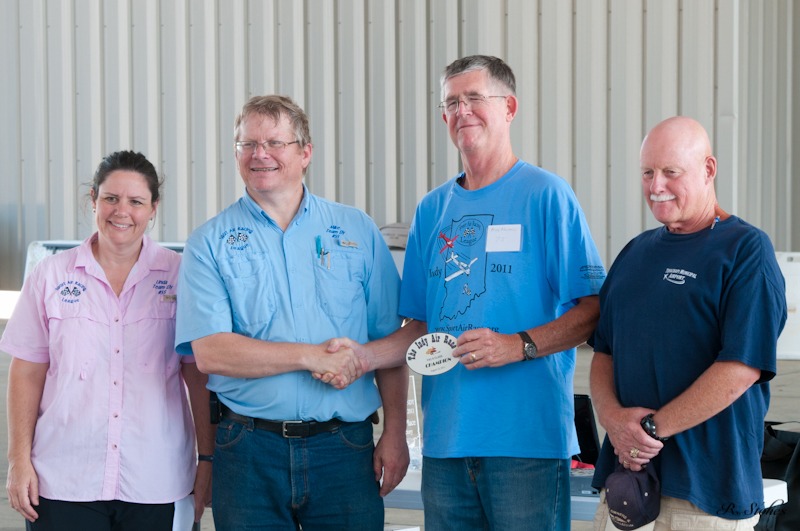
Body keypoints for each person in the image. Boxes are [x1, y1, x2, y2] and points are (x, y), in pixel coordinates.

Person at [341, 55, 606, 530]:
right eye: (451, 102)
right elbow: (421, 327)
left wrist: (518, 345)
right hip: (446, 445)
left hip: (526, 445)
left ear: (509, 107)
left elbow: (593, 310)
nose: (462, 111)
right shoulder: (431, 211)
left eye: (474, 98)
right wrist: (360, 358)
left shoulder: (546, 196)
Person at [174, 94, 409, 530]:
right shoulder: (209, 242)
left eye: (274, 143)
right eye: (247, 144)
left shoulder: (357, 230)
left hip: (344, 449)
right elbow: (211, 353)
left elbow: (390, 342)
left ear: (305, 153)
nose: (259, 154)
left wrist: (395, 432)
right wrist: (309, 356)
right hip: (247, 451)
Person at [589, 116, 787, 530]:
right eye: (647, 172)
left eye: (671, 172)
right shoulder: (635, 252)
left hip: (703, 496)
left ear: (708, 169)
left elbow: (741, 368)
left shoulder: (745, 250)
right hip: (626, 488)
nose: (655, 185)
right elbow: (604, 352)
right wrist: (612, 420)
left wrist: (648, 430)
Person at [0, 151, 214, 530]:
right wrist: (18, 460)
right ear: (94, 199)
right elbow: (27, 372)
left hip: (156, 479)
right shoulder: (51, 276)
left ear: (153, 208)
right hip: (64, 478)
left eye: (136, 201)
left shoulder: (181, 277)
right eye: (111, 198)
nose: (122, 211)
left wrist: (208, 459)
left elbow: (197, 375)